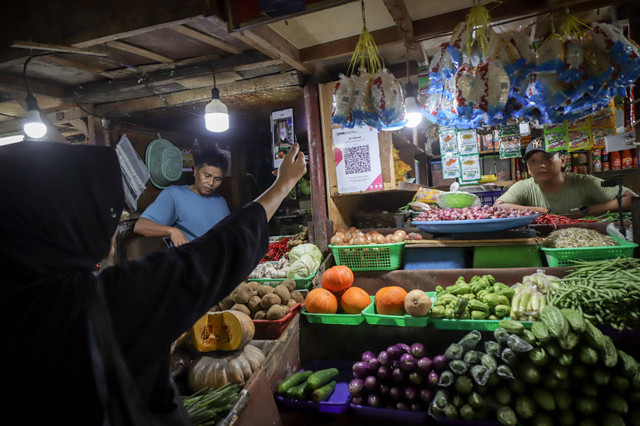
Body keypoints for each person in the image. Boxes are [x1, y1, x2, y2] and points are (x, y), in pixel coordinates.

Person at [0, 140, 307, 425]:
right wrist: (282, 185)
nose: (111, 229)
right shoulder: (109, 300)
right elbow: (214, 253)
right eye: (102, 215)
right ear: (70, 222)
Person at [494, 137, 638, 216]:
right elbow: (498, 207)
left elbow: (632, 200)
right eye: (533, 161)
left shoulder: (583, 182)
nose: (540, 165)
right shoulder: (524, 187)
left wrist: (586, 211)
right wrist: (543, 211)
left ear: (563, 161)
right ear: (528, 169)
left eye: (547, 158)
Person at [134, 150, 230, 246]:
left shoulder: (221, 201)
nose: (211, 183)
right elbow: (141, 226)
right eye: (207, 176)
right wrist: (172, 231)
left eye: (217, 179)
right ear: (195, 171)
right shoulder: (174, 194)